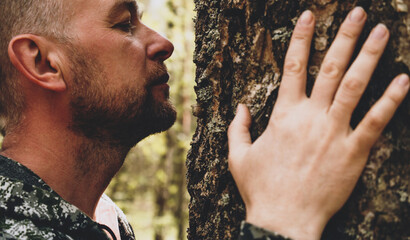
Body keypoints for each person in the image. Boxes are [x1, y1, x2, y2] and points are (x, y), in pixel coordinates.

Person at [0, 0, 407, 239]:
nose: (163, 43)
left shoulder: (102, 220)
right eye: (125, 24)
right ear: (43, 62)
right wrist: (281, 218)